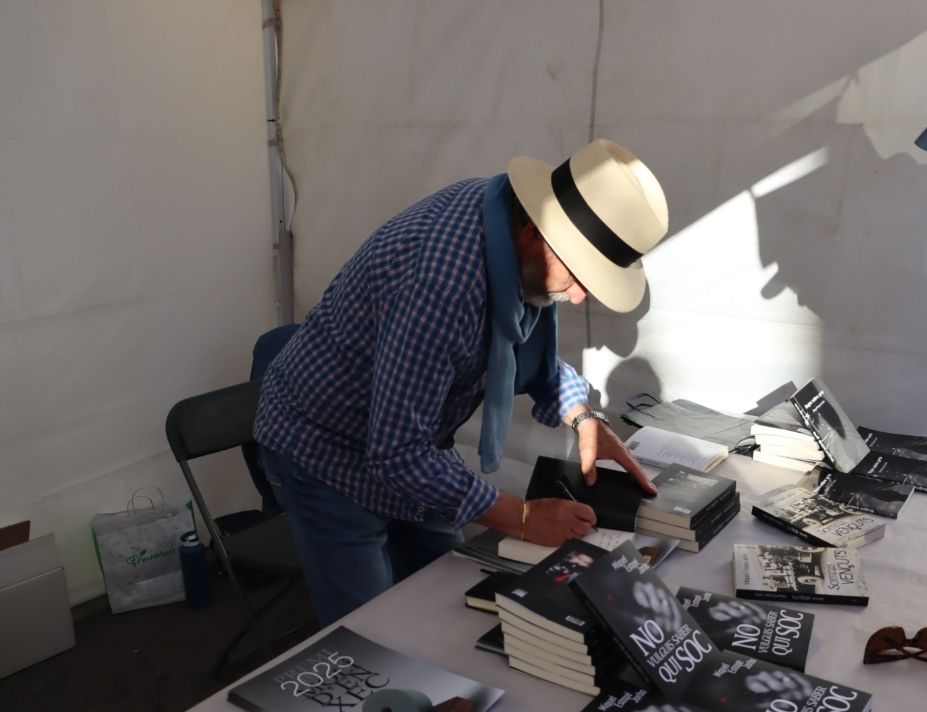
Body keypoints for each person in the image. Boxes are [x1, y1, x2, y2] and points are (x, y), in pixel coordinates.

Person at [254, 138, 670, 626]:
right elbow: (397, 453)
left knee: (455, 599)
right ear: (535, 229)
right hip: (326, 448)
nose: (578, 298)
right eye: (579, 274)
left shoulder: (499, 215)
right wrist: (522, 517)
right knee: (371, 634)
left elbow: (519, 352)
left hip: (413, 440)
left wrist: (583, 415)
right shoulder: (439, 287)